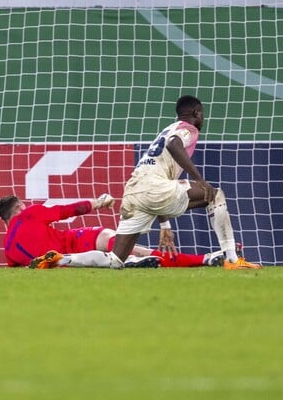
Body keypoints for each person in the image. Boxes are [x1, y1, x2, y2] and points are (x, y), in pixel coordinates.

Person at [110, 94, 262, 270]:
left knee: (115, 259)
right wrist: (200, 180)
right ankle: (233, 261)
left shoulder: (167, 130)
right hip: (154, 190)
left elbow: (160, 183)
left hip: (135, 191)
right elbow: (174, 145)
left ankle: (69, 259)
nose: (202, 118)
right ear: (197, 112)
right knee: (214, 195)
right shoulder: (188, 129)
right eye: (202, 114)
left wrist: (165, 225)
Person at [0, 194, 161, 269]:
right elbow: (69, 210)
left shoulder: (7, 248)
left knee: (90, 258)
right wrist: (98, 202)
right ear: (19, 206)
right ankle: (140, 255)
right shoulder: (28, 214)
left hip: (57, 265)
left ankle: (132, 258)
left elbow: (15, 268)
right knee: (109, 238)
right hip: (74, 242)